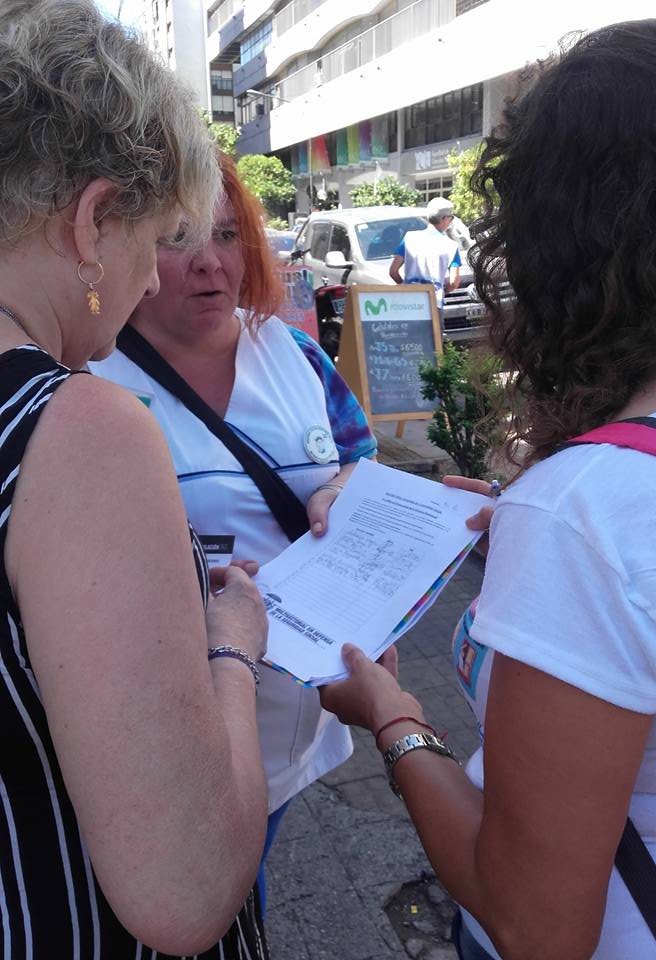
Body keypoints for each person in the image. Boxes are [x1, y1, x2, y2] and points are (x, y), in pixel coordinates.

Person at [321, 18, 656, 960]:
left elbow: (536, 924)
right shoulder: (615, 502)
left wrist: (394, 717)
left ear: (553, 244)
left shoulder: (586, 512)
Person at [0, 2, 270, 957]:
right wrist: (230, 646)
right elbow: (186, 889)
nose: (154, 280)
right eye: (155, 238)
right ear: (91, 222)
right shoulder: (79, 431)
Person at [90, 152, 378, 910]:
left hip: (301, 710)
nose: (209, 264)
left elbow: (360, 456)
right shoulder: (89, 381)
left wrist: (343, 490)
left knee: (247, 872)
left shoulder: (296, 354)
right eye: (177, 238)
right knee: (193, 895)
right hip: (169, 724)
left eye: (225, 235)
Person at [389, 197, 461, 318]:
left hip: (410, 303)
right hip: (434, 303)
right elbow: (454, 281)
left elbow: (393, 271)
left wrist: (405, 286)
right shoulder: (451, 246)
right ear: (444, 219)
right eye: (451, 218)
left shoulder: (409, 238)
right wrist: (444, 291)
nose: (450, 221)